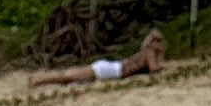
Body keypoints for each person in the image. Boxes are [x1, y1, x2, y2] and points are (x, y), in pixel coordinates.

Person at [31, 25, 170, 89]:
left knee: (69, 78)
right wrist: (164, 65)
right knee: (68, 77)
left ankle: (39, 79)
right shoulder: (149, 53)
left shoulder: (145, 51)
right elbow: (154, 69)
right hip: (110, 71)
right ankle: (38, 79)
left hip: (111, 68)